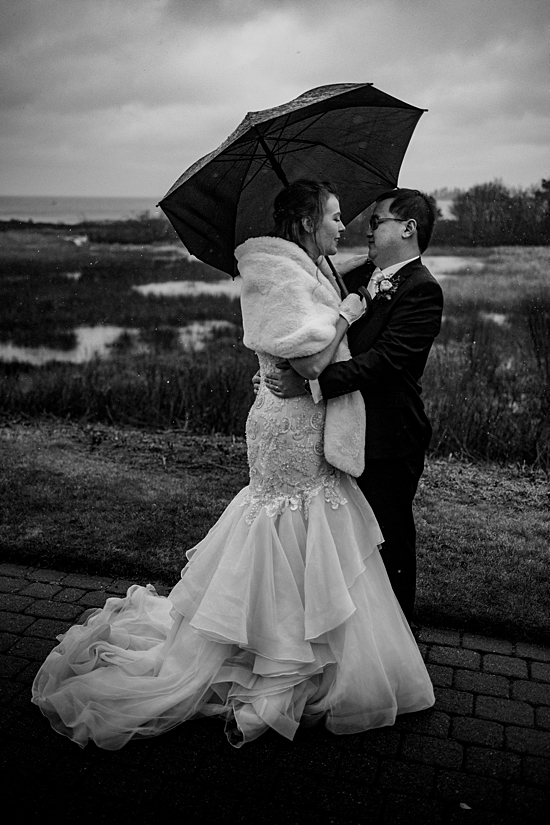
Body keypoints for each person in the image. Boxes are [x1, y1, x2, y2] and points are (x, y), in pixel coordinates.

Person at [31, 180, 434, 750]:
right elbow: (314, 352)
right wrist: (338, 320)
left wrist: (314, 340)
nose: (350, 227)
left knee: (334, 531)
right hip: (293, 427)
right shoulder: (289, 275)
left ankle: (324, 644)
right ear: (306, 221)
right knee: (293, 527)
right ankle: (281, 655)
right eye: (337, 216)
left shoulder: (344, 275)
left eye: (365, 219)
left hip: (342, 425)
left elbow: (369, 356)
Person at [265, 188, 444, 623]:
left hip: (390, 436)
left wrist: (309, 384)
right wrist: (279, 364)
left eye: (377, 221)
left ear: (408, 228)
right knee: (350, 541)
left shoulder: (423, 290)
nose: (367, 228)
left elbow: (381, 364)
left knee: (388, 540)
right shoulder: (360, 274)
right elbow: (322, 331)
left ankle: (399, 642)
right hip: (345, 433)